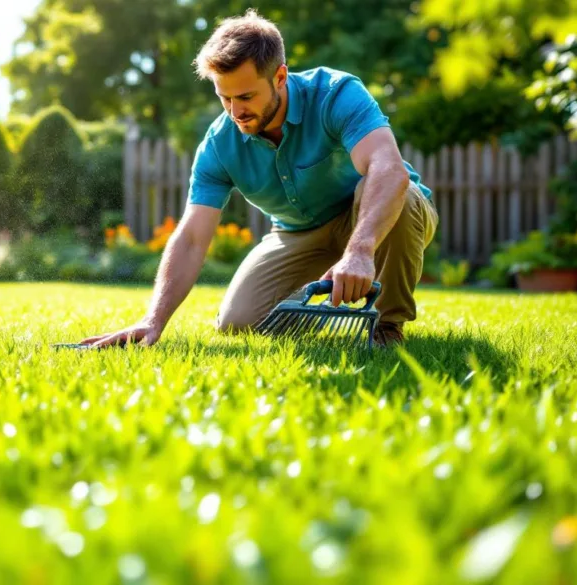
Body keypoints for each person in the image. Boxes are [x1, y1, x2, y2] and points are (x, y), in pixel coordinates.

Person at [81, 9, 438, 349]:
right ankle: (323, 307)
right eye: (225, 98)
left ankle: (388, 327)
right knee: (237, 323)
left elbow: (388, 170)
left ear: (280, 77)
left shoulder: (334, 94)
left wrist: (360, 251)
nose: (236, 112)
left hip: (372, 219)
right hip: (298, 232)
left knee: (399, 194)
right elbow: (191, 237)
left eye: (246, 96)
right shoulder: (220, 145)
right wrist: (153, 319)